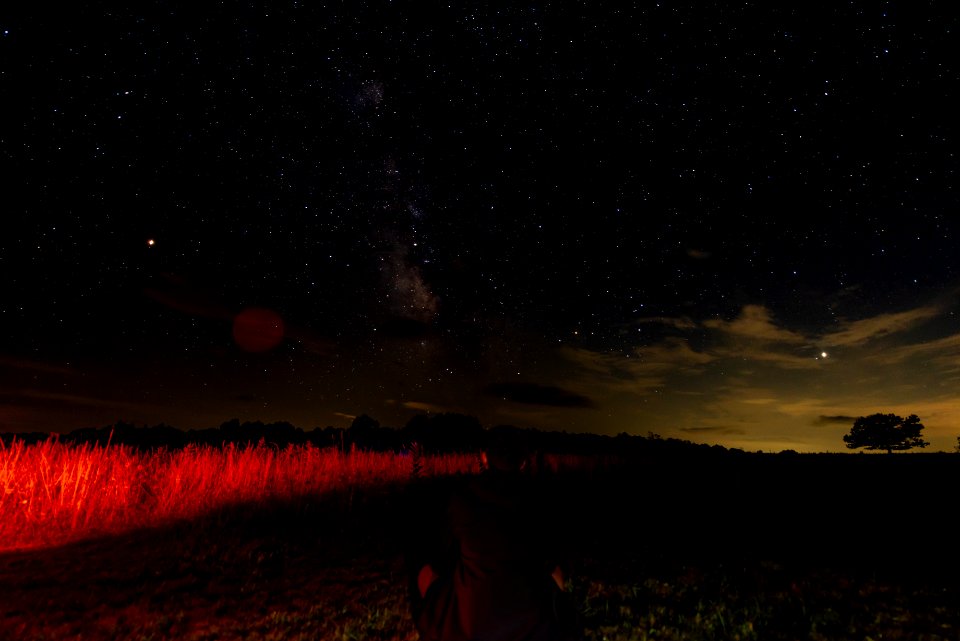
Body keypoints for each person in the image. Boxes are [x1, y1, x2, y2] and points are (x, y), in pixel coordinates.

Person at [409, 429, 580, 641]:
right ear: (523, 462)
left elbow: (441, 557)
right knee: (555, 579)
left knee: (423, 571)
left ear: (484, 458)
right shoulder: (539, 503)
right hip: (531, 624)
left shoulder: (463, 500)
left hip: (468, 623)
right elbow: (554, 565)